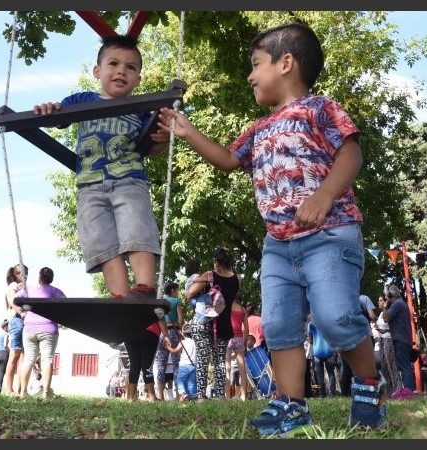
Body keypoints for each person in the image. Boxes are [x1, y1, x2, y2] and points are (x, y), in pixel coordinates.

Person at [158, 22, 385, 434]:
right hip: (278, 246)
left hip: (330, 235)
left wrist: (323, 196)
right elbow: (228, 160)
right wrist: (185, 130)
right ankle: (290, 404)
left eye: (255, 64)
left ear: (286, 63)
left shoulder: (320, 108)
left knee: (335, 318)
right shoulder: (259, 129)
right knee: (279, 326)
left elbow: (351, 154)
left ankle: (369, 385)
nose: (249, 74)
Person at [33, 34, 169, 301]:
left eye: (130, 67)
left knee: (136, 229)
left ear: (138, 79)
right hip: (89, 186)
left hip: (129, 181)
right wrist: (49, 111)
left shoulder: (141, 109)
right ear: (97, 71)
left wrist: (163, 140)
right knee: (102, 243)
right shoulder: (84, 100)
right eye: (113, 64)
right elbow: (58, 118)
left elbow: (152, 147)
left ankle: (144, 287)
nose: (121, 71)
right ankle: (120, 296)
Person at [185, 248, 241, 400]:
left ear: (215, 261)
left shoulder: (210, 275)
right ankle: (221, 395)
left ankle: (202, 396)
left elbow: (189, 293)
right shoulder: (237, 279)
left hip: (204, 322)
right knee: (220, 362)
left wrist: (200, 281)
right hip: (224, 324)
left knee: (203, 359)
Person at [15, 266, 65, 400]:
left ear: (39, 277)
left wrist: (21, 311)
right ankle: (45, 393)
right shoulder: (55, 291)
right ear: (51, 279)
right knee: (47, 360)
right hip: (48, 329)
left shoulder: (29, 289)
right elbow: (65, 305)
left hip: (30, 328)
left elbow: (15, 299)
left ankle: (23, 393)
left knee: (28, 360)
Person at [382, 285, 415, 393]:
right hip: (404, 339)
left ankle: (408, 392)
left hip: (400, 340)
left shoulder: (397, 304)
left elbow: (386, 318)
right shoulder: (402, 304)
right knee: (405, 366)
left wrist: (384, 307)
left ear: (390, 295)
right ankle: (408, 390)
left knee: (404, 367)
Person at [154, 281, 183, 401]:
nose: (178, 293)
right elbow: (181, 320)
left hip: (161, 333)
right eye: (177, 290)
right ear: (172, 290)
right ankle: (177, 395)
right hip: (173, 332)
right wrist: (177, 324)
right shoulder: (176, 301)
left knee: (161, 365)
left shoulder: (160, 301)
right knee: (176, 364)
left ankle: (160, 396)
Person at [3, 264, 28, 396]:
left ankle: (21, 390)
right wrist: (20, 312)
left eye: (24, 274)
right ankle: (9, 390)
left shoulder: (24, 288)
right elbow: (12, 301)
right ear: (14, 274)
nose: (22, 276)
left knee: (24, 357)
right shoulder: (13, 286)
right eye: (19, 273)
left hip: (25, 322)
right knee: (14, 355)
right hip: (17, 321)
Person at [225, 293, 250, 400]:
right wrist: (245, 341)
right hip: (239, 338)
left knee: (227, 367)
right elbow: (247, 329)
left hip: (228, 338)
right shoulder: (242, 309)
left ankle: (227, 395)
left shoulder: (225, 308)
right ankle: (244, 395)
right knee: (241, 368)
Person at [166, 323, 199, 402]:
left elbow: (174, 351)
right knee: (191, 382)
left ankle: (183, 393)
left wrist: (168, 347)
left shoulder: (183, 342)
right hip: (193, 365)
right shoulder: (195, 342)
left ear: (182, 333)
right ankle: (192, 396)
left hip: (184, 365)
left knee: (180, 380)